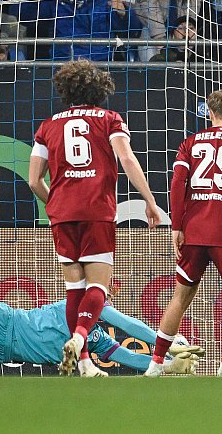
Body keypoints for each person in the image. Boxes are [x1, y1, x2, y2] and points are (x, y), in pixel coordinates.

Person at [0, 229, 200, 373]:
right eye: (106, 285)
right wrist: (167, 346)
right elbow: (128, 324)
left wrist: (169, 367)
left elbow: (130, 358)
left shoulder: (93, 339)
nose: (107, 292)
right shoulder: (81, 307)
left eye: (111, 286)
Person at [28, 60, 162, 377]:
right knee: (99, 286)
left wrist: (56, 203)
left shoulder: (47, 126)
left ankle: (85, 362)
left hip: (62, 214)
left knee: (74, 289)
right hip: (96, 210)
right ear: (100, 91)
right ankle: (78, 337)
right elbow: (126, 158)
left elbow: (33, 180)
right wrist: (150, 200)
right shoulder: (109, 119)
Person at [144, 89, 222, 377]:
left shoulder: (189, 143)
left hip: (194, 231)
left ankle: (155, 364)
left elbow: (177, 185)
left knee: (180, 298)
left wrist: (176, 226)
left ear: (210, 114)